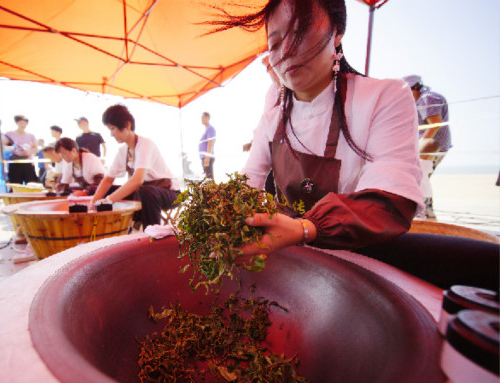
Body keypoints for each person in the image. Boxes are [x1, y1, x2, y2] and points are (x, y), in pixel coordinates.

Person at [210, 0, 498, 290]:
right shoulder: (272, 118)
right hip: (294, 261)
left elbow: (388, 200)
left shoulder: (385, 97)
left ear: (337, 32)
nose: (285, 52)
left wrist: (304, 228)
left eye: (301, 32)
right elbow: (247, 183)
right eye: (274, 43)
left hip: (364, 258)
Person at [90, 104, 180, 228]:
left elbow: (137, 180)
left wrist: (109, 200)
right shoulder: (123, 151)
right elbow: (108, 179)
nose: (111, 134)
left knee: (147, 192)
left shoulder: (145, 144)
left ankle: (153, 236)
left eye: (113, 129)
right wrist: (93, 202)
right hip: (144, 193)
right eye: (109, 129)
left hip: (169, 193)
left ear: (127, 125)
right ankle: (114, 231)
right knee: (106, 191)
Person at [402, 74, 452, 219]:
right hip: (434, 146)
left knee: (419, 178)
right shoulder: (429, 97)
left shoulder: (426, 98)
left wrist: (420, 146)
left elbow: (435, 123)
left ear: (415, 87)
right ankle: (428, 214)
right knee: (423, 179)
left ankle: (423, 214)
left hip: (431, 148)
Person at [5, 115, 38, 186]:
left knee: (31, 184)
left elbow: (36, 148)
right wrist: (13, 149)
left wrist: (28, 151)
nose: (23, 125)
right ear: (16, 123)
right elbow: (4, 146)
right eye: (20, 122)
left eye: (24, 123)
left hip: (28, 162)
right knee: (15, 185)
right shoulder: (9, 134)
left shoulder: (31, 136)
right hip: (15, 163)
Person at [198, 112, 216, 179]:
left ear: (207, 118)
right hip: (205, 157)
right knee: (208, 178)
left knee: (209, 179)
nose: (201, 119)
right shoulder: (207, 129)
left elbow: (210, 142)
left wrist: (207, 157)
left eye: (203, 117)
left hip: (207, 157)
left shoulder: (210, 128)